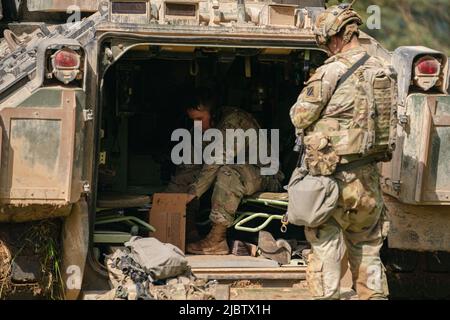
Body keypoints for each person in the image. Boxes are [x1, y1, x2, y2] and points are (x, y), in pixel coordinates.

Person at [289, 4, 391, 300]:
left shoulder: (331, 71)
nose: (326, 49)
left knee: (325, 247)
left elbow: (299, 117)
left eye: (325, 42)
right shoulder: (383, 70)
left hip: (332, 180)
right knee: (369, 248)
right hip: (369, 180)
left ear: (336, 37)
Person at [167, 88, 283, 255]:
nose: (196, 125)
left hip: (264, 174)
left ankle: (217, 240)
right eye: (193, 120)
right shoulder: (200, 129)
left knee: (228, 173)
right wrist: (169, 200)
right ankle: (187, 232)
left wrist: (193, 193)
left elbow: (216, 161)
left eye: (200, 119)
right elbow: (190, 166)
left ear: (213, 114)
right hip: (233, 173)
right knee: (189, 175)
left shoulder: (234, 122)